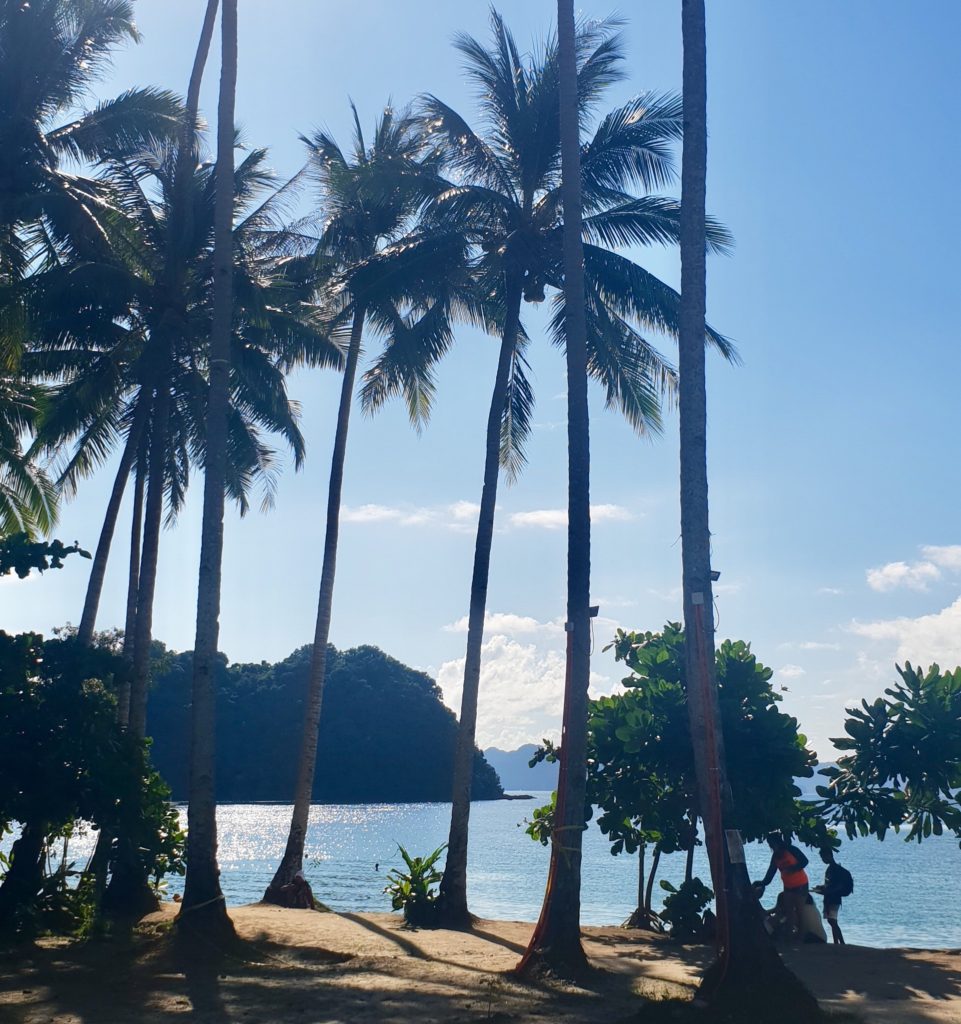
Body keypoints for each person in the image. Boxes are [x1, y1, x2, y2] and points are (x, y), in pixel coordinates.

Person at [754, 832, 809, 937]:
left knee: (799, 912)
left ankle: (800, 936)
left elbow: (805, 861)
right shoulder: (775, 857)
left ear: (778, 842)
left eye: (771, 844)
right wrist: (762, 883)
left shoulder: (791, 850)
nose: (771, 846)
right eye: (769, 844)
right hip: (788, 887)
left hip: (801, 885)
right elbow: (771, 872)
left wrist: (792, 869)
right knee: (789, 912)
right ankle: (789, 936)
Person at [813, 848, 851, 944]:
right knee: (832, 921)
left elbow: (837, 886)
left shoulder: (834, 869)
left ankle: (841, 942)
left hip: (834, 898)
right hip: (830, 898)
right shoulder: (831, 869)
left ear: (829, 856)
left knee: (832, 921)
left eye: (823, 857)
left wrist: (826, 891)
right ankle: (836, 942)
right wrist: (822, 888)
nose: (823, 859)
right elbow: (830, 884)